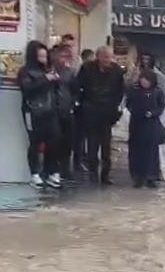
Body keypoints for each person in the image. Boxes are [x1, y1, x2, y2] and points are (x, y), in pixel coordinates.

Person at [77, 46, 125, 185]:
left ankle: (105, 175)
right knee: (92, 146)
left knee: (106, 147)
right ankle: (93, 173)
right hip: (91, 111)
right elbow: (79, 87)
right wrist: (83, 105)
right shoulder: (87, 68)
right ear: (98, 57)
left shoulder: (117, 71)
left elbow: (120, 91)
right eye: (105, 57)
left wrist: (116, 110)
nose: (108, 60)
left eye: (110, 57)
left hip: (107, 113)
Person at [18, 40, 61, 189]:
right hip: (33, 111)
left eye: (45, 56)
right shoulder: (25, 71)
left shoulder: (49, 69)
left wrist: (55, 80)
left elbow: (56, 90)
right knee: (35, 143)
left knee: (54, 141)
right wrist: (45, 79)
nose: (44, 60)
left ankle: (51, 172)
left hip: (50, 111)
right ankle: (34, 173)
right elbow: (27, 89)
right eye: (40, 57)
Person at [126, 51, 165, 181]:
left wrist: (154, 113)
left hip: (152, 122)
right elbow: (129, 99)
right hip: (137, 122)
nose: (145, 61)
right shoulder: (135, 81)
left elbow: (162, 102)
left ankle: (153, 173)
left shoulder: (158, 82)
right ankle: (138, 174)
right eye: (143, 59)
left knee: (152, 149)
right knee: (136, 148)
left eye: (147, 59)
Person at [52, 44, 79, 181]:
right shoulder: (50, 70)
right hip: (53, 110)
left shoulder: (71, 72)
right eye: (62, 56)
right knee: (54, 140)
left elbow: (75, 91)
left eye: (66, 56)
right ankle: (53, 168)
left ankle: (65, 168)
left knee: (67, 142)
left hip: (67, 110)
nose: (64, 59)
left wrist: (73, 105)